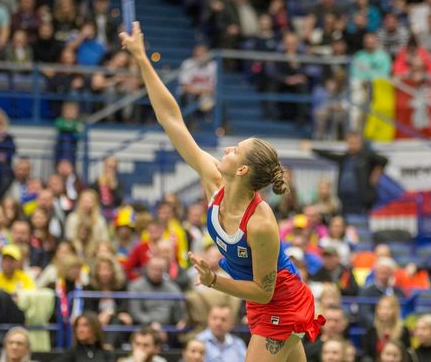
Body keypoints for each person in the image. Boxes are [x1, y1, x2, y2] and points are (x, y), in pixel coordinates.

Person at [120, 22, 324, 360]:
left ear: (242, 170)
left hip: (281, 303)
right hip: (260, 304)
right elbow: (171, 118)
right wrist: (142, 58)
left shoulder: (260, 223)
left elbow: (264, 289)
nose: (227, 149)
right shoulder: (212, 180)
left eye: (236, 149)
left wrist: (213, 281)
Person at [306, 132, 388, 215]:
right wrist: (312, 149)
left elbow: (384, 160)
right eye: (350, 143)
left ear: (360, 143)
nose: (353, 146)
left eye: (355, 143)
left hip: (361, 199)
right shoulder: (345, 157)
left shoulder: (366, 156)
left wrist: (376, 173)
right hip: (344, 198)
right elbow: (330, 155)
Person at [362, 296, 411, 361]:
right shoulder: (372, 331)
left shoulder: (403, 331)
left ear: (395, 310)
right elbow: (367, 354)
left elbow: (407, 353)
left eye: (388, 308)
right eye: (381, 308)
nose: (384, 312)